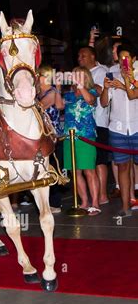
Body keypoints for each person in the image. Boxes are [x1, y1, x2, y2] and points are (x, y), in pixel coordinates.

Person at [100, 44, 138, 218]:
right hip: (118, 129)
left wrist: (124, 83)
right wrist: (107, 88)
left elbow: (133, 95)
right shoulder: (111, 75)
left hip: (137, 127)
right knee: (123, 167)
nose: (124, 61)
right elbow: (104, 103)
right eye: (121, 57)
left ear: (134, 59)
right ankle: (125, 207)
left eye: (127, 57)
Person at [63, 67, 100, 215]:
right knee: (75, 172)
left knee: (89, 171)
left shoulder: (92, 91)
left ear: (86, 78)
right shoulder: (69, 95)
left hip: (86, 136)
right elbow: (59, 105)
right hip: (68, 136)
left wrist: (80, 85)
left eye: (79, 75)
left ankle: (96, 203)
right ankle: (84, 202)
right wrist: (57, 87)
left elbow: (90, 101)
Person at [78, 46, 110, 205]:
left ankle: (103, 195)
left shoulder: (101, 71)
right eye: (78, 56)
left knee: (100, 160)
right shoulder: (81, 73)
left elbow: (99, 91)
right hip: (85, 126)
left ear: (92, 56)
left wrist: (83, 86)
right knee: (89, 162)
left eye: (83, 55)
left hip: (99, 122)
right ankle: (93, 195)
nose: (80, 58)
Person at [37, 65, 65, 213]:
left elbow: (38, 107)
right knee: (43, 168)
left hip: (52, 137)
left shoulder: (52, 92)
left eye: (38, 75)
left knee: (52, 167)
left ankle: (55, 203)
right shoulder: (38, 91)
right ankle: (45, 202)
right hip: (42, 136)